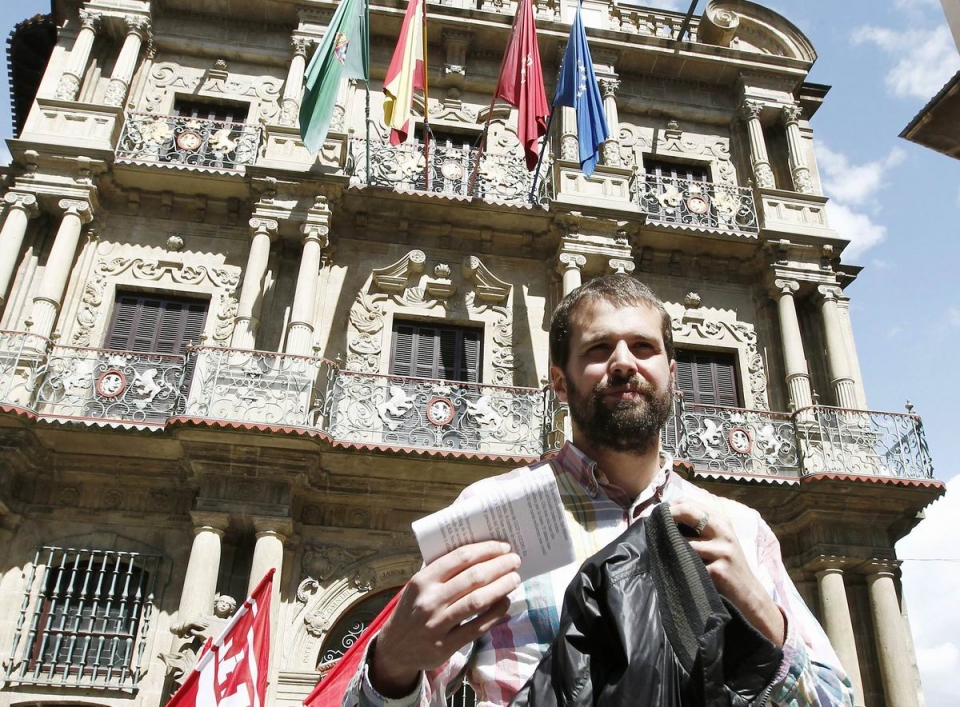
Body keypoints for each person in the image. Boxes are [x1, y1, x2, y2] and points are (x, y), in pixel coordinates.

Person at [344, 274, 855, 707]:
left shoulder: (740, 529)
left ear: (671, 375)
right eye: (598, 349)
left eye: (643, 347)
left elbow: (838, 697)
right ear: (560, 384)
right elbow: (401, 682)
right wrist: (393, 664)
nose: (624, 362)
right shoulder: (491, 514)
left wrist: (760, 610)